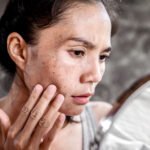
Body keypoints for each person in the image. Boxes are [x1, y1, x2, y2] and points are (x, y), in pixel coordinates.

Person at [0, 0, 118, 149]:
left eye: (102, 57)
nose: (96, 76)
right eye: (77, 52)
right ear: (19, 51)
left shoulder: (107, 125)